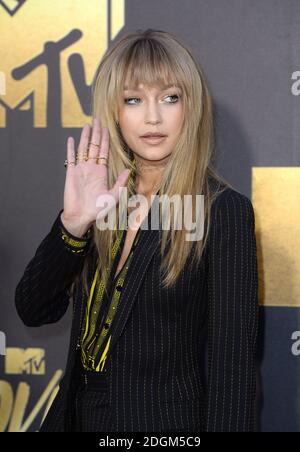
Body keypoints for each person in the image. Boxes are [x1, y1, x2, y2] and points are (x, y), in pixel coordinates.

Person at [15, 28, 259, 432]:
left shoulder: (222, 211)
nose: (152, 117)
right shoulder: (102, 198)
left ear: (190, 106)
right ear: (114, 110)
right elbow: (33, 308)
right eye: (133, 99)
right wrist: (74, 224)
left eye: (169, 98)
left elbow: (232, 370)